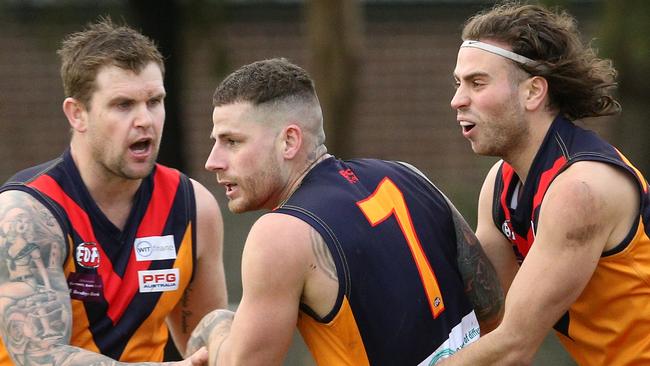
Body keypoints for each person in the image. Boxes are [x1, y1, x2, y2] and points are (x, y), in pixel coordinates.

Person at [185, 57, 504, 366]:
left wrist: (214, 327)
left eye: (232, 141)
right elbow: (492, 305)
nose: (213, 161)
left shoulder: (280, 234)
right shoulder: (408, 174)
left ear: (289, 141)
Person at [0, 18, 228, 365]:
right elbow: (39, 356)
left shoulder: (192, 207)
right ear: (77, 114)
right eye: (123, 105)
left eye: (155, 101)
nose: (145, 120)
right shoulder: (25, 214)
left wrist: (236, 333)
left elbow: (204, 345)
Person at [445, 2, 650, 365]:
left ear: (533, 92)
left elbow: (513, 346)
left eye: (477, 83)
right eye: (459, 83)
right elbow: (491, 319)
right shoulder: (501, 184)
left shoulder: (580, 190)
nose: (457, 100)